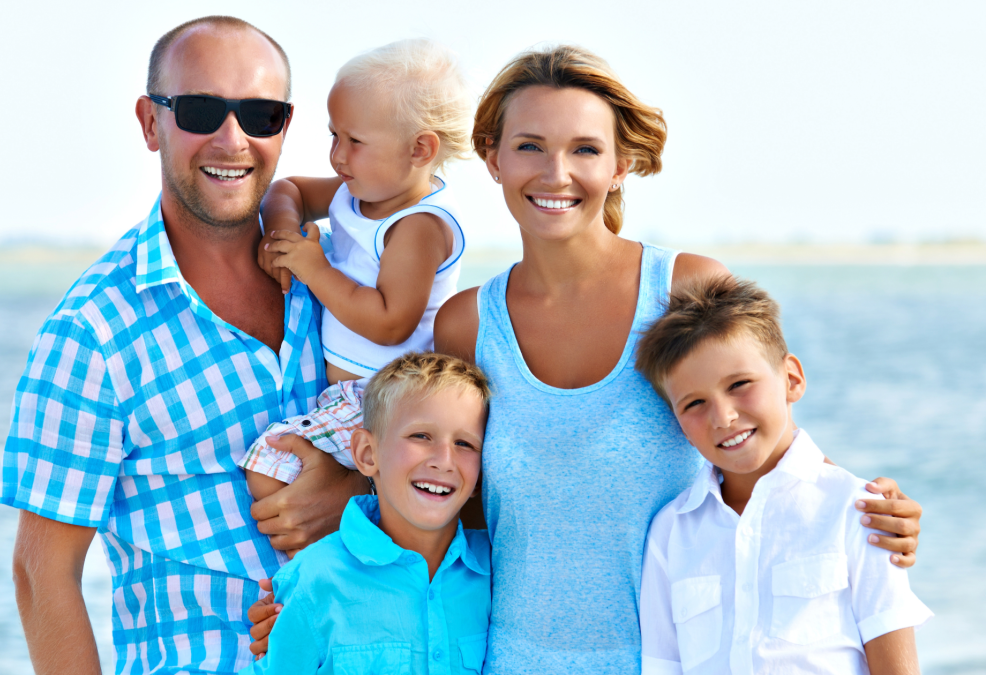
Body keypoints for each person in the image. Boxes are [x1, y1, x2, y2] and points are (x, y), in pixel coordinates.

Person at [246, 45, 923, 672]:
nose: (556, 173)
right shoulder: (466, 325)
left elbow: (761, 435)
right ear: (493, 158)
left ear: (619, 163)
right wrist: (317, 590)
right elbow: (449, 494)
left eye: (585, 149)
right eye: (530, 146)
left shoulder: (685, 288)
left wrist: (864, 512)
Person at [0, 17, 369, 675]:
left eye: (260, 114)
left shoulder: (347, 275)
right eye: (200, 110)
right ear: (149, 122)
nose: (233, 139)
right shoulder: (92, 334)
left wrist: (359, 497)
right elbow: (41, 575)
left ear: (285, 126)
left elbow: (451, 453)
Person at [634, 276, 931, 674]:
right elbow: (663, 666)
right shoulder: (670, 533)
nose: (723, 417)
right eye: (695, 403)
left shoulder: (859, 511)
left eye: (739, 384)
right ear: (678, 424)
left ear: (791, 379)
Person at [238, 39, 470, 516]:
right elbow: (289, 189)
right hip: (345, 395)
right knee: (277, 470)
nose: (337, 156)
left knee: (269, 468)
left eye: (355, 141)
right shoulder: (357, 192)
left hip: (383, 396)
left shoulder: (417, 226)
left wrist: (315, 268)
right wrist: (282, 234)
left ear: (420, 149)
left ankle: (339, 562)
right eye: (333, 136)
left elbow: (391, 322)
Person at [241, 352, 492, 674]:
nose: (444, 460)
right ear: (367, 453)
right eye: (421, 436)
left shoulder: (497, 571)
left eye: (465, 444)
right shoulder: (317, 576)